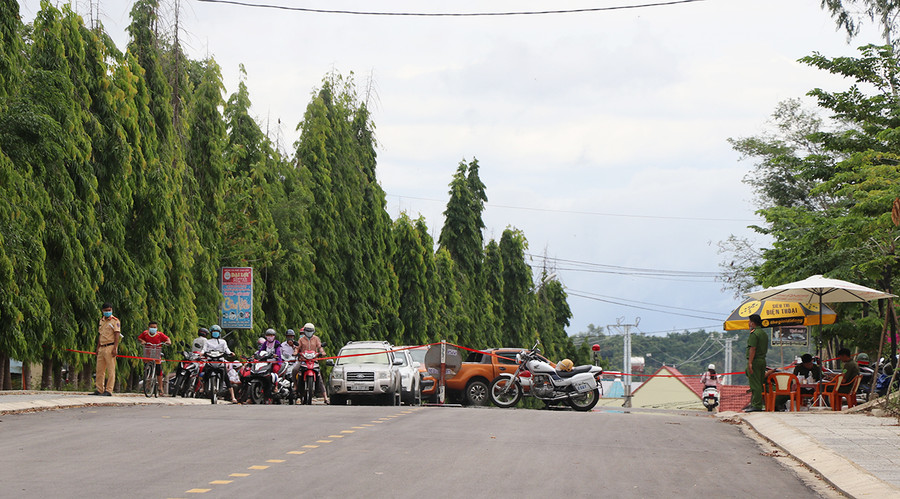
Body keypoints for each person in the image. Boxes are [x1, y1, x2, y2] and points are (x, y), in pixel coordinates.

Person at [201, 325, 238, 403]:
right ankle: (202, 388)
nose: (215, 333)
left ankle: (233, 397)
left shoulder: (223, 342)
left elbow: (226, 349)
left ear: (219, 333)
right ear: (211, 333)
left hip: (220, 361)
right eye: (214, 332)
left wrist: (230, 353)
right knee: (204, 373)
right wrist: (201, 353)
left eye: (217, 332)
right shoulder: (208, 342)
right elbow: (204, 349)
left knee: (226, 378)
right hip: (210, 360)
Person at [295, 323, 328, 404]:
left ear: (313, 331)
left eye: (310, 331)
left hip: (314, 360)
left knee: (319, 378)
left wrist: (322, 353)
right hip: (303, 360)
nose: (309, 333)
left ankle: (325, 398)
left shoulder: (316, 339)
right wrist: (295, 352)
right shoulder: (301, 340)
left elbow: (320, 347)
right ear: (305, 331)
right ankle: (296, 387)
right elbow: (297, 348)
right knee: (295, 370)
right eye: (307, 331)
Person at [93, 302, 121, 396]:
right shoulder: (101, 321)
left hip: (110, 346)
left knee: (110, 370)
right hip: (101, 347)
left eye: (109, 310)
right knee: (99, 370)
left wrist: (115, 348)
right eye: (106, 310)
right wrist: (97, 348)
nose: (107, 312)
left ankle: (109, 390)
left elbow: (117, 335)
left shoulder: (115, 321)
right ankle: (99, 389)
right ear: (102, 311)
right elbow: (100, 335)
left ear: (111, 310)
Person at [137, 320, 172, 393]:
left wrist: (168, 342)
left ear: (157, 328)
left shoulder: (159, 335)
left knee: (159, 370)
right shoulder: (145, 333)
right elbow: (139, 338)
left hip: (156, 353)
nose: (153, 328)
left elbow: (167, 339)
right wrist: (142, 341)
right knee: (146, 370)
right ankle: (147, 386)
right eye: (152, 327)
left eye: (155, 327)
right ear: (148, 327)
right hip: (148, 353)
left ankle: (160, 387)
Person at [745, 314, 768, 412]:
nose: (749, 323)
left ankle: (756, 405)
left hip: (755, 361)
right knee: (759, 382)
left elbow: (752, 348)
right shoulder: (763, 333)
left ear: (753, 323)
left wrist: (750, 363)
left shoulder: (754, 333)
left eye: (749, 321)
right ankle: (756, 403)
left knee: (755, 384)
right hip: (762, 360)